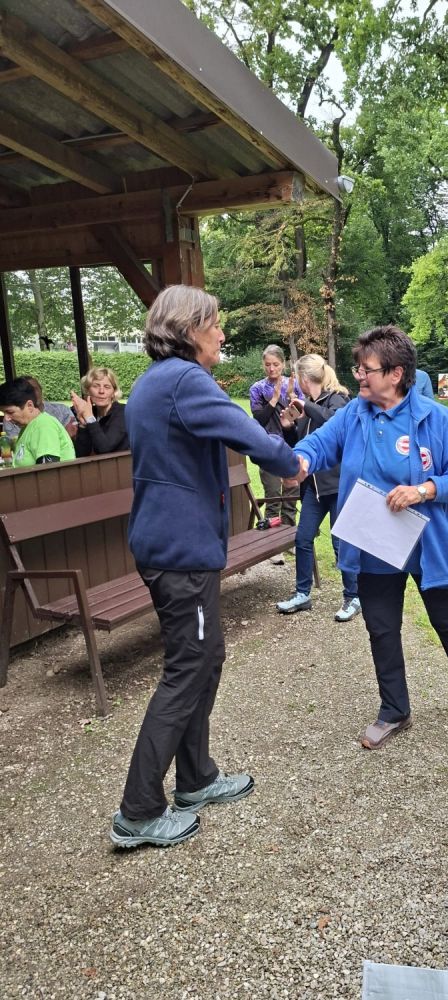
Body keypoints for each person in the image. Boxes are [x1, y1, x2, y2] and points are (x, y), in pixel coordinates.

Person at [110, 285, 299, 850]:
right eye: (215, 323)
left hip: (173, 547)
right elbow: (245, 432)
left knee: (204, 657)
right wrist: (291, 462)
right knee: (188, 666)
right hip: (181, 553)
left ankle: (195, 779)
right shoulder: (185, 380)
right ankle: (138, 811)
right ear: (189, 328)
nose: (222, 333)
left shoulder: (155, 381)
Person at [291, 324, 448, 750]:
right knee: (381, 628)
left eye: (366, 370)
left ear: (396, 373)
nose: (359, 376)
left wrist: (423, 490)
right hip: (374, 545)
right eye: (358, 368)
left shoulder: (436, 418)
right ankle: (394, 709)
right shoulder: (354, 414)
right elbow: (319, 445)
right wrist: (299, 460)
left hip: (429, 546)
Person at [275, 353, 360, 622]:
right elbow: (301, 444)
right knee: (303, 538)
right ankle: (303, 593)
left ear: (304, 378)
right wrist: (288, 427)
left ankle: (353, 596)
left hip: (336, 485)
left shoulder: (338, 399)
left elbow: (335, 424)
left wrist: (306, 407)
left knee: (340, 542)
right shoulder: (308, 406)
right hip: (313, 487)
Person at [249, 345, 303, 530]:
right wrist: (274, 399)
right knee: (272, 497)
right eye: (267, 365)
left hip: (291, 448)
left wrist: (292, 398)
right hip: (268, 449)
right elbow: (259, 420)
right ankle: (271, 540)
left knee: (290, 500)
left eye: (276, 364)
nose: (271, 369)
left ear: (283, 364)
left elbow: (301, 419)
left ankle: (288, 539)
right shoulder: (257, 388)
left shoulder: (294, 385)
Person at [0, 378, 75, 467]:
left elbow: (47, 470)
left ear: (30, 405)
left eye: (10, 412)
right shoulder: (28, 427)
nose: (6, 418)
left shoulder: (43, 426)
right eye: (4, 413)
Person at [71, 366, 129, 456]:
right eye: (96, 386)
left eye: (107, 387)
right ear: (88, 390)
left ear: (113, 392)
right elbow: (81, 455)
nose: (101, 391)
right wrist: (83, 425)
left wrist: (90, 418)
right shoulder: (91, 412)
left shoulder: (122, 412)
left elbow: (104, 448)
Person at [2, 375, 76, 441]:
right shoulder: (11, 418)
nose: (33, 394)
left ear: (41, 390)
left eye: (34, 389)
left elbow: (74, 434)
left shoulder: (62, 410)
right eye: (28, 392)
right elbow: (14, 444)